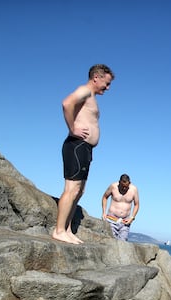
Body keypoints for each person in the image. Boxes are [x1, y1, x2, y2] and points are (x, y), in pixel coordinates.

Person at [51, 64, 115, 244]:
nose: (107, 88)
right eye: (106, 83)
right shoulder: (85, 90)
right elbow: (66, 103)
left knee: (80, 191)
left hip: (85, 148)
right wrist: (73, 128)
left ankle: (68, 229)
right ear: (97, 77)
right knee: (72, 189)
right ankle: (58, 230)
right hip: (77, 145)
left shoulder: (92, 96)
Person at [102, 174, 139, 241]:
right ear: (119, 182)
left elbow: (136, 204)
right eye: (122, 186)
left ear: (129, 183)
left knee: (122, 244)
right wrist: (104, 212)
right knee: (111, 242)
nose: (124, 188)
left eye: (126, 187)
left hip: (125, 222)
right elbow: (105, 197)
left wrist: (132, 217)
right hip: (111, 220)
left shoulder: (134, 189)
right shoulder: (113, 186)